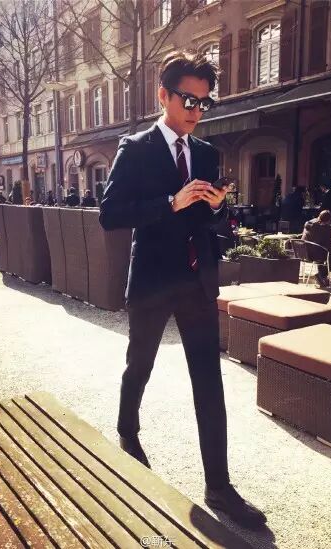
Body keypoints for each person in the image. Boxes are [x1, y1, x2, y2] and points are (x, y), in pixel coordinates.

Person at [99, 50, 266, 530]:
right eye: (188, 100)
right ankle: (127, 429)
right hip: (153, 281)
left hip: (197, 281)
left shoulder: (208, 154)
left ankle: (219, 486)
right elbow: (110, 214)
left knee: (209, 382)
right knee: (140, 364)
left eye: (203, 102)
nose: (196, 110)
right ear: (163, 96)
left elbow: (213, 223)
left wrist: (215, 207)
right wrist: (169, 202)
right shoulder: (136, 148)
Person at [302, 210, 331, 287]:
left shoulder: (308, 223)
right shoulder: (325, 228)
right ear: (328, 221)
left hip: (304, 252)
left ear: (319, 215)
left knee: (323, 252)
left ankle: (323, 278)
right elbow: (329, 243)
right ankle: (321, 276)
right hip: (315, 255)